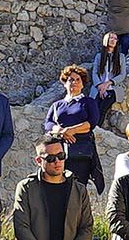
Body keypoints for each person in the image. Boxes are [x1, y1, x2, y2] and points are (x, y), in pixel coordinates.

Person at [45, 63, 115, 193]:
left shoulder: (88, 102)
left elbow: (92, 122)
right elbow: (48, 124)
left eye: (78, 80)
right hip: (59, 153)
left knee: (77, 189)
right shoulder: (56, 105)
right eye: (71, 79)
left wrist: (71, 130)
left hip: (81, 153)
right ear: (65, 83)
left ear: (83, 84)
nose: (75, 82)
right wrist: (61, 132)